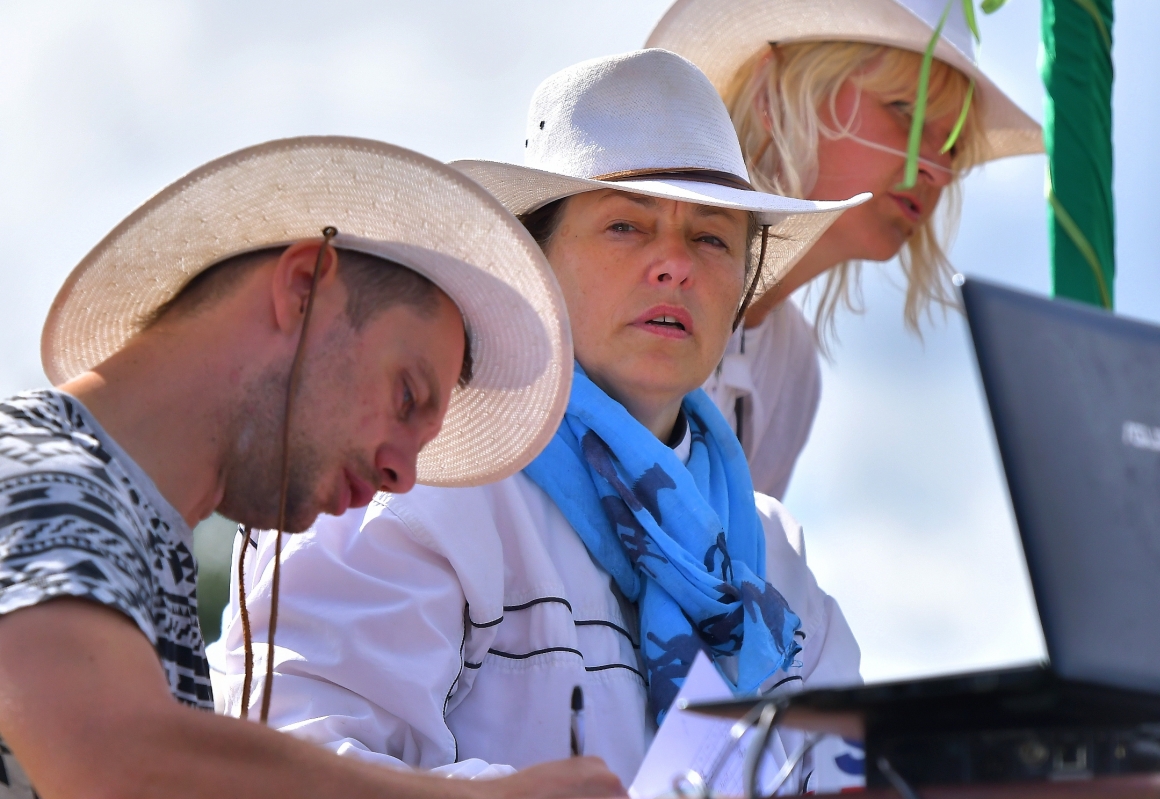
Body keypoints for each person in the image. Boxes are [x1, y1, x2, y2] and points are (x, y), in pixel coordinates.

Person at [219, 50, 866, 791]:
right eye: (625, 226)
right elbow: (292, 766)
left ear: (743, 283)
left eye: (711, 238)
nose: (674, 265)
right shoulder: (425, 488)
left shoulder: (778, 562)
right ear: (534, 265)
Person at [0, 136, 623, 799]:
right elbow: (117, 761)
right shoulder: (35, 467)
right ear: (302, 289)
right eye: (406, 395)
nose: (403, 475)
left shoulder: (120, 522)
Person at [647, 0, 1044, 499]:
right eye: (905, 111)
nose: (939, 171)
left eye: (954, 147)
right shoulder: (639, 285)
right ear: (775, 94)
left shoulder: (791, 369)